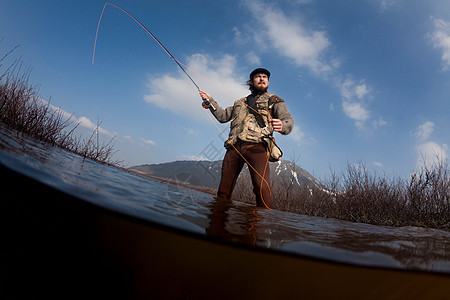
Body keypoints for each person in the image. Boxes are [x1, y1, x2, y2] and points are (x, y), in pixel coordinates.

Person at [199, 68, 294, 209]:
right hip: (234, 147)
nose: (262, 79)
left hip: (258, 147)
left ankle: (263, 227)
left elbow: (288, 120)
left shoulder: (275, 100)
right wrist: (210, 101)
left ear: (268, 81)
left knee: (261, 188)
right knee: (224, 189)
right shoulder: (240, 102)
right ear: (251, 81)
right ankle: (218, 226)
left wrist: (283, 125)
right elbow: (223, 116)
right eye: (258, 77)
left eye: (265, 77)